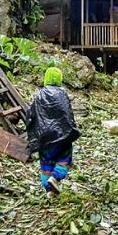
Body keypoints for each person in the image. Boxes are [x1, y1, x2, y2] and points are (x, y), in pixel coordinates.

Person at [27, 67, 81, 198]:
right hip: (61, 137)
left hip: (44, 138)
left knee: (46, 165)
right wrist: (72, 130)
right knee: (64, 160)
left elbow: (30, 115)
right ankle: (55, 178)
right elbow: (68, 114)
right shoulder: (62, 94)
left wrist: (33, 136)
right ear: (59, 79)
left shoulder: (38, 95)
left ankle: (49, 191)